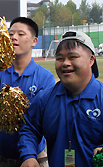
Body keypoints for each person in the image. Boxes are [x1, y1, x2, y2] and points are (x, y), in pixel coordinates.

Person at [0, 17, 55, 167]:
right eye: (11, 33)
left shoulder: (45, 77)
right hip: (0, 159)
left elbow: (43, 121)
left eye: (21, 34)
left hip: (33, 160)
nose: (14, 37)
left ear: (34, 41)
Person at [19, 31, 102, 167]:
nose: (65, 63)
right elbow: (29, 128)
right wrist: (28, 155)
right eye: (60, 58)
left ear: (91, 60)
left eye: (73, 57)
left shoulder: (101, 97)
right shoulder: (45, 98)